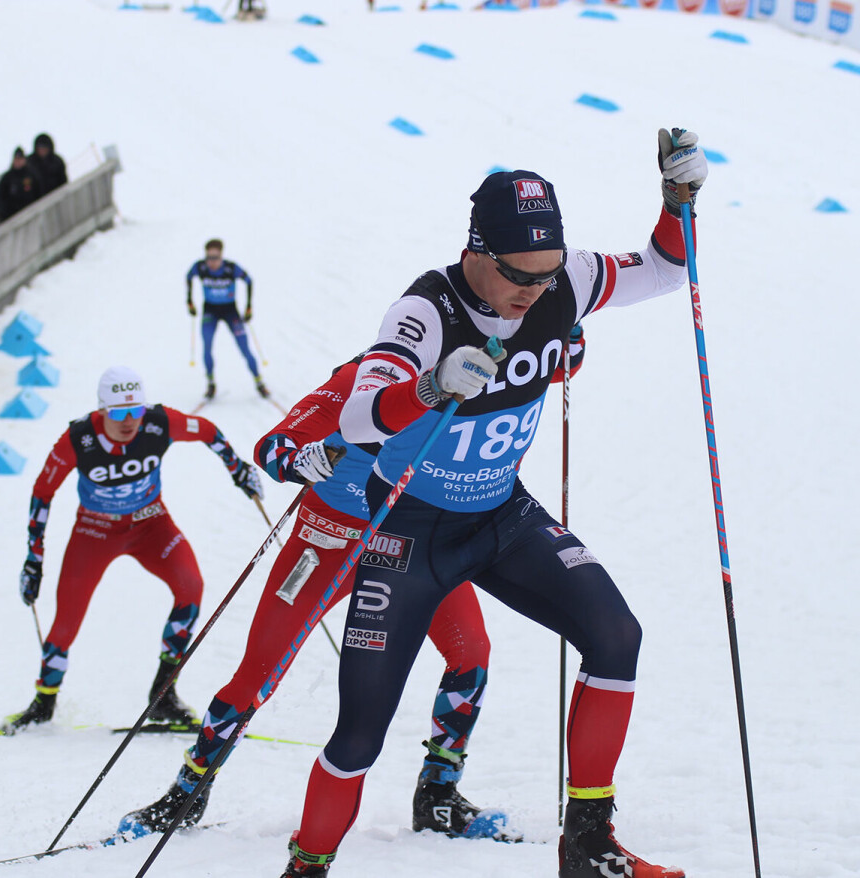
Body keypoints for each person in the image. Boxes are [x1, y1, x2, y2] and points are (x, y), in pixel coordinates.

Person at [276, 127, 708, 878]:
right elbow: (357, 417)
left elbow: (669, 270)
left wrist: (676, 202)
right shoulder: (424, 311)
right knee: (361, 734)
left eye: (545, 278)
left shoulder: (565, 277)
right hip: (408, 533)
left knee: (616, 635)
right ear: (475, 250)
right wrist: (432, 387)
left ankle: (588, 845)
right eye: (517, 276)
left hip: (501, 516)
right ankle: (306, 867)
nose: (532, 293)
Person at [117, 345, 586, 840]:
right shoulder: (357, 382)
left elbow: (550, 367)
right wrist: (302, 462)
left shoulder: (460, 378)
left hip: (411, 543)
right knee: (257, 673)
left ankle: (438, 796)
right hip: (324, 544)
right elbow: (272, 449)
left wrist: (568, 340)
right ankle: (186, 795)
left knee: (472, 654)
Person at [3, 366, 265, 732]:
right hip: (94, 532)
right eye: (118, 413)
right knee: (66, 621)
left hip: (151, 524)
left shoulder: (159, 424)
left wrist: (239, 470)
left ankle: (163, 696)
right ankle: (43, 703)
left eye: (135, 411)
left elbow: (207, 431)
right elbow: (42, 493)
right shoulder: (78, 438)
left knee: (191, 587)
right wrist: (34, 560)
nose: (129, 422)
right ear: (101, 411)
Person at [186, 238, 269, 401]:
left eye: (215, 258)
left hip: (230, 311)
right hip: (210, 310)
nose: (212, 262)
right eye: (209, 257)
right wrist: (189, 301)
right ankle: (210, 383)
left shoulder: (231, 268)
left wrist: (249, 306)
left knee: (244, 346)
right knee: (207, 347)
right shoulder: (200, 267)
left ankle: (259, 381)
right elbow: (189, 277)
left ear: (221, 256)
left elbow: (248, 280)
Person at [0, 147, 42, 221]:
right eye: (16, 159)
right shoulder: (7, 178)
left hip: (30, 212)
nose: (18, 162)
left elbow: (39, 192)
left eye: (20, 159)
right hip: (13, 216)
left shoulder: (31, 175)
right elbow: (1, 197)